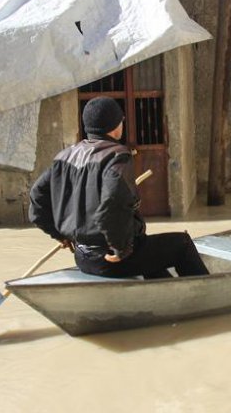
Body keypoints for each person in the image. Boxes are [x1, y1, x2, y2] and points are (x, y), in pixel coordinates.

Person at [29, 96, 209, 279]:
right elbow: (112, 203)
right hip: (113, 260)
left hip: (82, 257)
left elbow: (37, 198)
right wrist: (120, 248)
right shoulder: (117, 156)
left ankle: (165, 297)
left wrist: (59, 234)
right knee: (182, 244)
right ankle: (209, 295)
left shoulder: (64, 156)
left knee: (151, 256)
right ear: (115, 127)